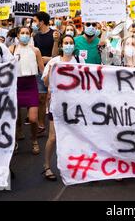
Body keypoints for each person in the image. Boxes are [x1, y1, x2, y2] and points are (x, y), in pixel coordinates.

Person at [42, 35, 85, 181]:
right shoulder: (54, 61)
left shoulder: (79, 61)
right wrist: (51, 71)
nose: (68, 45)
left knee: (74, 136)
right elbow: (46, 83)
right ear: (61, 45)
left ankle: (74, 166)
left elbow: (84, 82)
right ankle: (47, 166)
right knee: (53, 137)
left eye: (70, 43)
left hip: (73, 105)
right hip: (56, 105)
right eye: (65, 43)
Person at [10, 27, 45, 156]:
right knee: (15, 117)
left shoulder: (35, 50)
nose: (25, 35)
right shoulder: (11, 49)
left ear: (30, 35)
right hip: (15, 86)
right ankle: (15, 139)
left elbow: (42, 70)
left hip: (31, 85)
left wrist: (50, 83)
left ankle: (34, 139)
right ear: (18, 35)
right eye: (22, 33)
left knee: (33, 119)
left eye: (27, 33)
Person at [32, 12, 57, 136]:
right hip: (40, 70)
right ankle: (41, 124)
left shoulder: (54, 34)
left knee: (52, 98)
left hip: (53, 69)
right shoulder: (35, 36)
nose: (33, 23)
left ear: (41, 22)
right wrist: (41, 60)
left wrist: (48, 58)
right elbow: (34, 54)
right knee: (41, 98)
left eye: (35, 20)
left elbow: (57, 54)